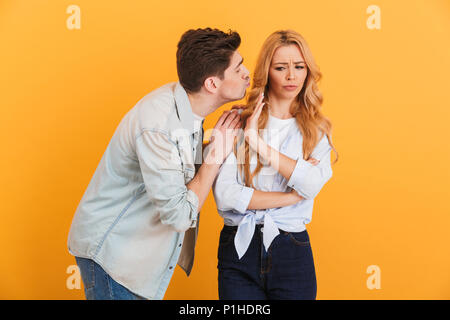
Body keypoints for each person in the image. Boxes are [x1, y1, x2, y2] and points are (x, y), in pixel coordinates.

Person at [67, 28, 250, 300]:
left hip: (135, 254)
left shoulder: (187, 106)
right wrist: (216, 153)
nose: (247, 73)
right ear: (212, 84)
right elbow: (178, 215)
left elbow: (177, 166)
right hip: (113, 257)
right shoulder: (158, 124)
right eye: (238, 69)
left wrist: (223, 140)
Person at [212, 30, 339, 300]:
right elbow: (226, 196)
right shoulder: (237, 120)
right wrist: (291, 196)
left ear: (308, 71)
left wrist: (256, 143)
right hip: (238, 248)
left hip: (291, 250)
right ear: (266, 71)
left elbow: (312, 185)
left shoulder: (317, 130)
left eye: (299, 67)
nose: (291, 76)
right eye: (281, 67)